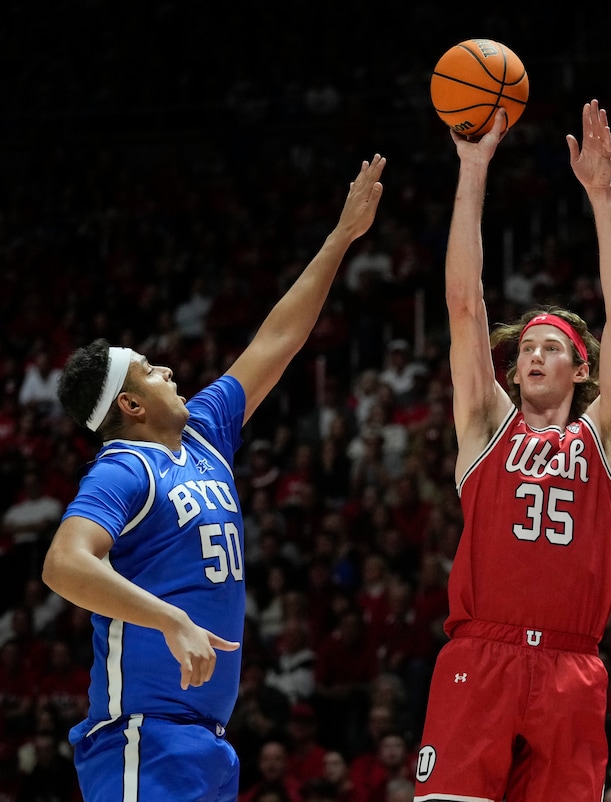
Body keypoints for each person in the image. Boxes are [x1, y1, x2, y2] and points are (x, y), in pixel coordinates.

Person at [41, 153, 386, 802]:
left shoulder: (203, 433)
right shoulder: (124, 470)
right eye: (150, 371)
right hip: (141, 740)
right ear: (130, 406)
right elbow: (63, 566)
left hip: (204, 740)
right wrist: (169, 619)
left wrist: (340, 238)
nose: (168, 370)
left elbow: (277, 340)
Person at [414, 100, 611, 802]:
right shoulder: (485, 424)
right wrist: (473, 168)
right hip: (479, 656)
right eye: (528, 349)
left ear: (582, 371)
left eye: (555, 348)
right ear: (512, 372)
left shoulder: (605, 437)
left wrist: (602, 196)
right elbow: (463, 304)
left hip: (572, 667)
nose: (536, 353)